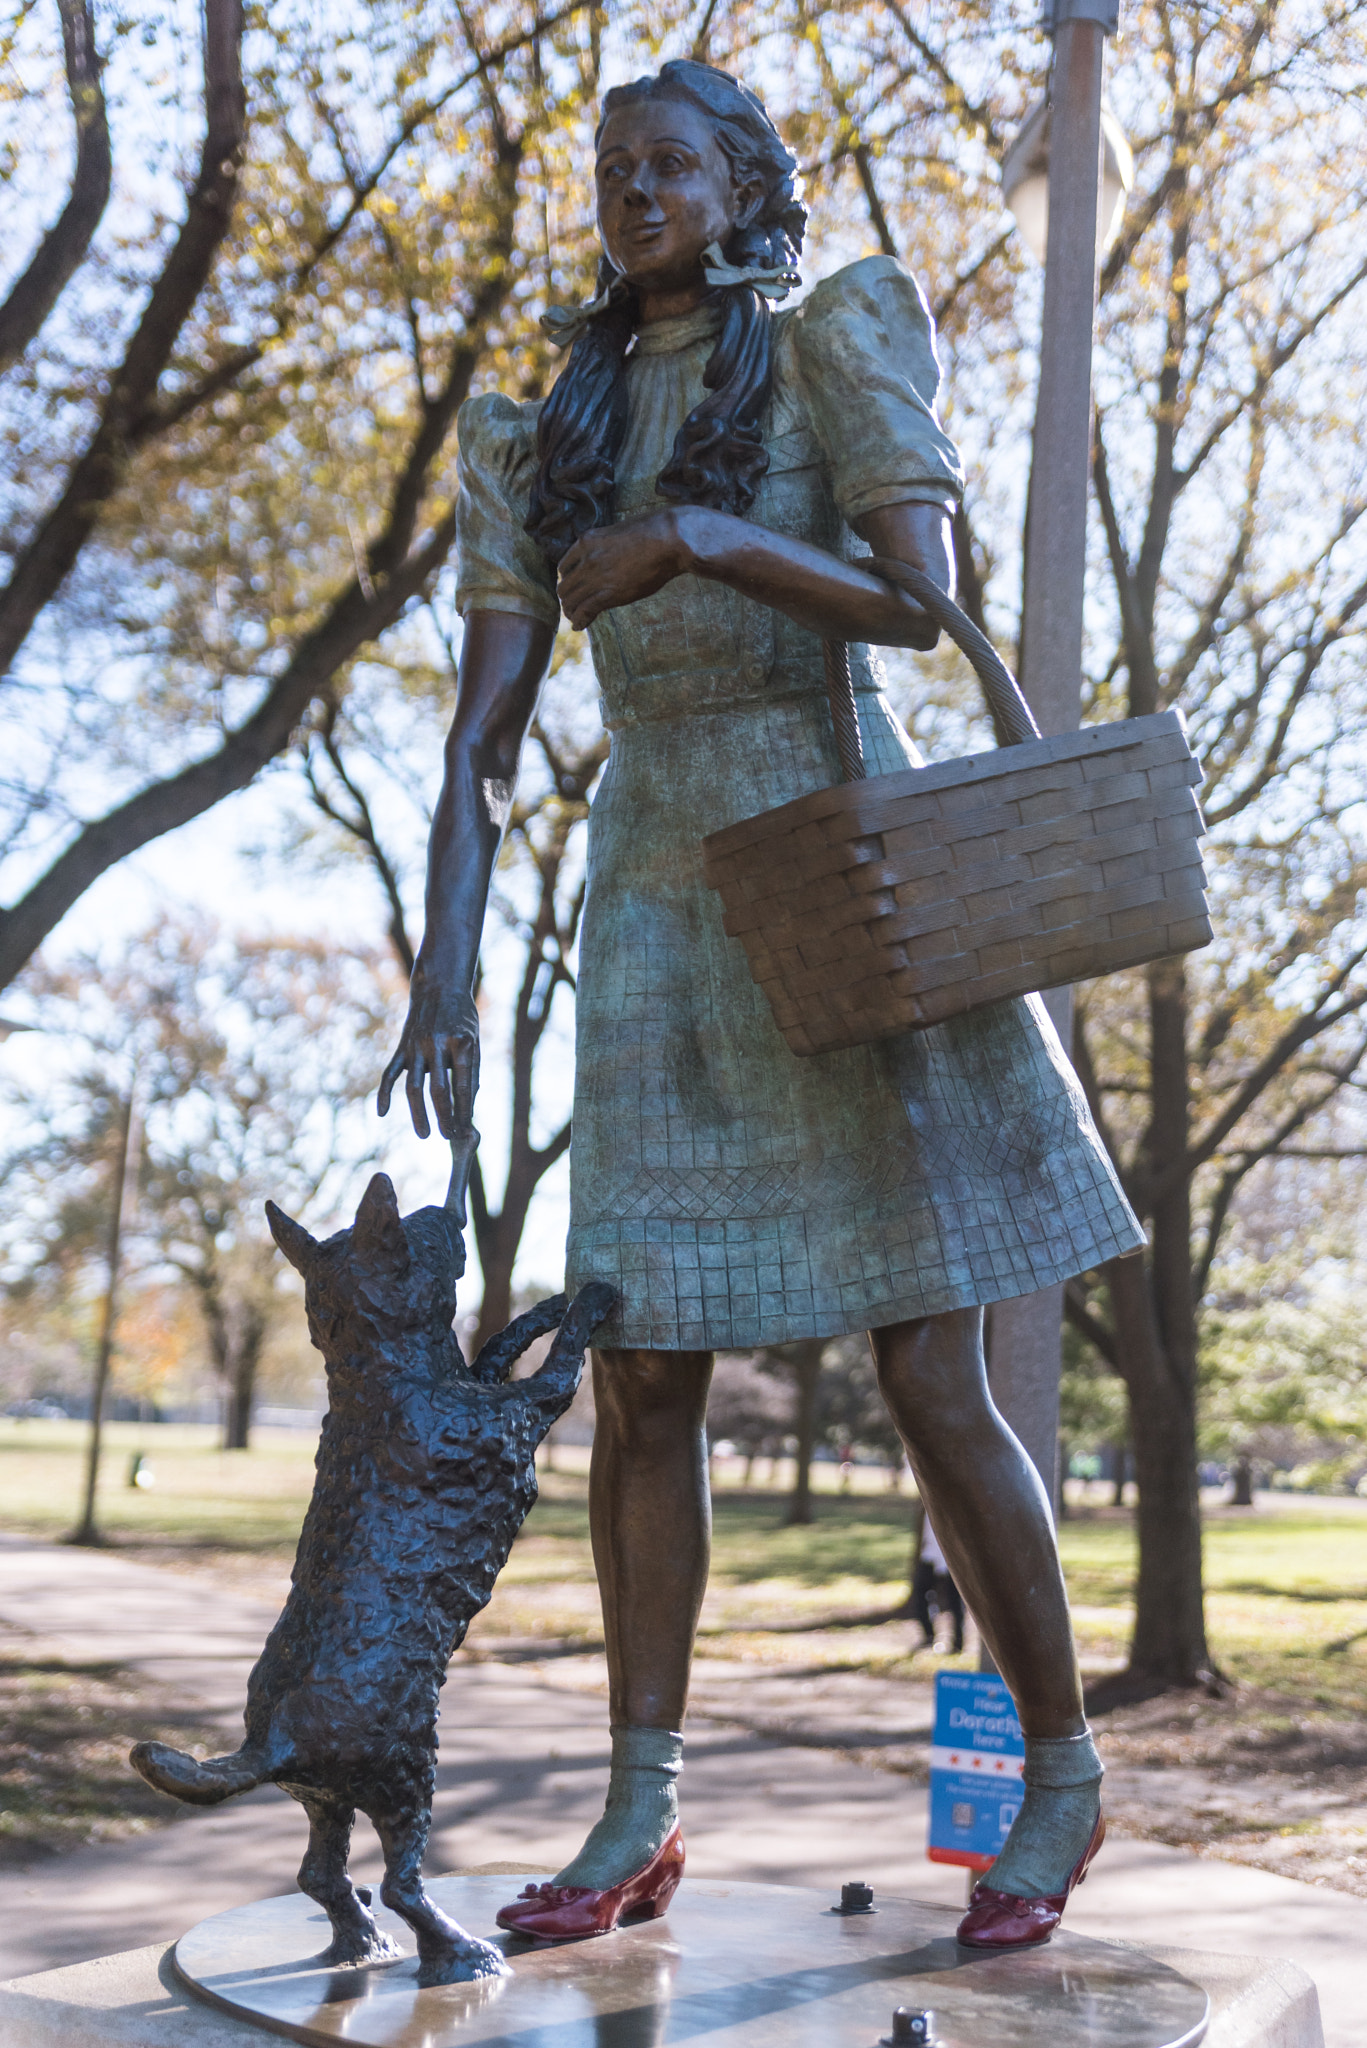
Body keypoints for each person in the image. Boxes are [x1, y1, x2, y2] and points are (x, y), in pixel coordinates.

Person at [380, 59, 1143, 1952]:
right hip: (655, 905)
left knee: (924, 1371)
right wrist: (446, 954)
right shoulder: (536, 419)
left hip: (843, 865)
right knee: (641, 1381)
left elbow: (914, 602)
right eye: (610, 167)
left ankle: (1057, 1769)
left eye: (671, 163)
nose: (633, 189)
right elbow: (481, 729)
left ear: (740, 185)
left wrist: (707, 537)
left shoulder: (826, 340)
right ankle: (636, 1803)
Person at [909, 1507, 965, 1656]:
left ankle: (958, 1643)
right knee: (920, 1595)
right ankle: (929, 1636)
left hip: (951, 1560)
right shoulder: (926, 1505)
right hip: (928, 1556)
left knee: (955, 1603)